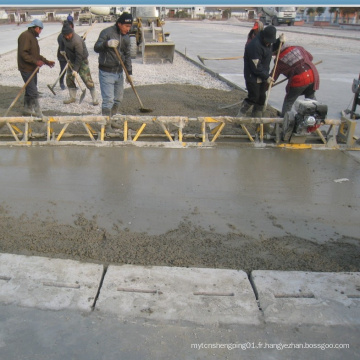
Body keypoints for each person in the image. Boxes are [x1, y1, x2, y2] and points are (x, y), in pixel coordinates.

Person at [238, 25, 285, 118]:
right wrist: (266, 77)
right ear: (264, 37)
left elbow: (271, 49)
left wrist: (279, 41)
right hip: (252, 75)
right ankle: (240, 115)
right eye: (268, 42)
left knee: (262, 97)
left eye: (271, 42)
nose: (269, 44)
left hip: (263, 74)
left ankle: (257, 116)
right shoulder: (254, 46)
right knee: (253, 97)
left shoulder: (267, 42)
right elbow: (256, 67)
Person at [94, 12, 133, 118]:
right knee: (108, 100)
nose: (128, 29)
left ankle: (111, 119)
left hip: (119, 72)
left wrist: (129, 73)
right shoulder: (106, 32)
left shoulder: (126, 37)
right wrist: (106, 44)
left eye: (130, 26)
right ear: (119, 24)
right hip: (106, 72)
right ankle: (106, 126)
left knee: (118, 99)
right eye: (126, 26)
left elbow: (127, 55)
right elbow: (96, 47)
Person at [17, 19, 55, 117]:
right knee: (33, 91)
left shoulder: (33, 38)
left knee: (30, 89)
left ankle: (27, 108)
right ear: (36, 28)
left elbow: (36, 55)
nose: (40, 31)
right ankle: (38, 112)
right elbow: (23, 53)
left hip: (32, 68)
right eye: (40, 29)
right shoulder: (25, 36)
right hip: (26, 68)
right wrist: (35, 62)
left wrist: (47, 62)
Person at [271, 44, 320, 116]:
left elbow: (273, 77)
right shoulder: (298, 47)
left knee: (289, 101)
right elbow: (310, 57)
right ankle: (315, 119)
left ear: (276, 52)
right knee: (311, 98)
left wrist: (265, 87)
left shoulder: (279, 60)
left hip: (300, 79)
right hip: (313, 74)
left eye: (274, 54)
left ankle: (285, 120)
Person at [60, 22, 98, 105]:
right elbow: (62, 44)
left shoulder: (76, 40)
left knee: (87, 80)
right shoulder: (63, 37)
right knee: (69, 79)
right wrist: (63, 51)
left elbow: (79, 56)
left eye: (68, 35)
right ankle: (72, 97)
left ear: (71, 33)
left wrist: (76, 70)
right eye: (65, 35)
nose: (67, 37)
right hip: (71, 60)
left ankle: (95, 99)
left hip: (82, 60)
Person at [57, 20, 74, 90]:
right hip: (63, 56)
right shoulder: (61, 36)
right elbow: (62, 46)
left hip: (70, 55)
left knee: (72, 70)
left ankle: (72, 84)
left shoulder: (72, 34)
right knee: (63, 69)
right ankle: (61, 83)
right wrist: (63, 50)